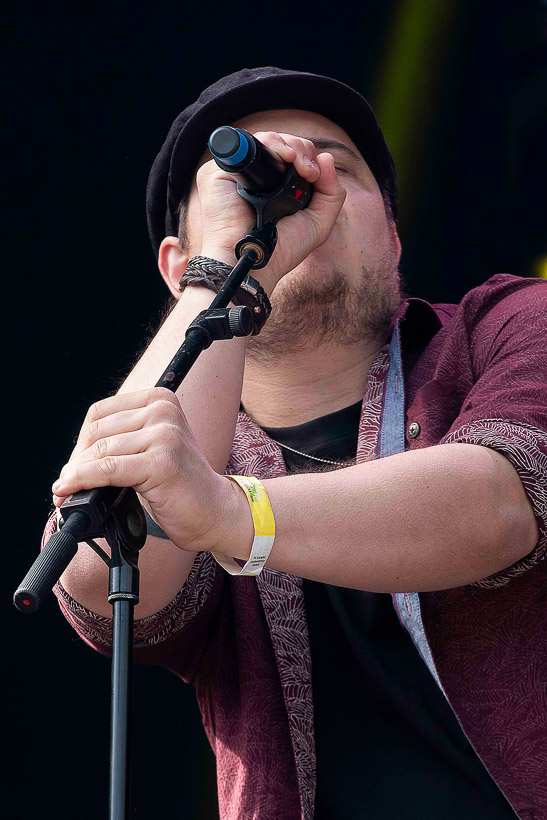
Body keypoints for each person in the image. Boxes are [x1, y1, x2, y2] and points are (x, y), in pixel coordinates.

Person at [44, 67, 546, 819]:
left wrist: (230, 514)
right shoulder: (199, 449)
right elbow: (99, 584)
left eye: (335, 168)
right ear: (178, 268)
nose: (299, 189)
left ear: (392, 238)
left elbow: (499, 506)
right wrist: (222, 270)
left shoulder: (509, 326)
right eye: (248, 180)